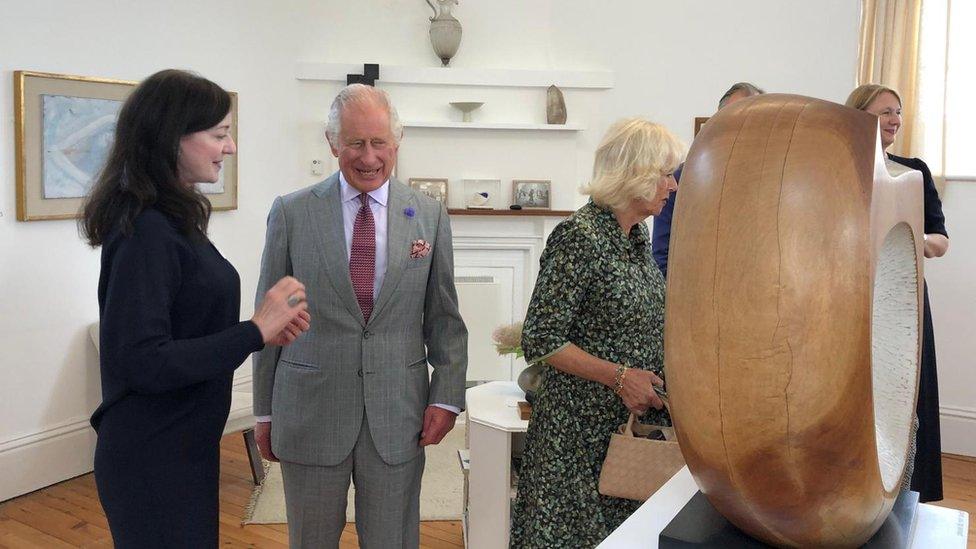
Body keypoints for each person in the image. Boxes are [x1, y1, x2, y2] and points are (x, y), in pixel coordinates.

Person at [80, 69, 310, 548]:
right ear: (172, 137)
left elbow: (185, 327)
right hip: (152, 456)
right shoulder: (146, 230)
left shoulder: (171, 218)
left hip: (184, 447)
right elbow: (142, 360)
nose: (230, 148)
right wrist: (253, 331)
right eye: (219, 134)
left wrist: (264, 331)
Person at [252, 83, 468, 548]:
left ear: (396, 142)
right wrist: (265, 411)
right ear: (332, 143)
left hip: (398, 416)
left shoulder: (428, 215)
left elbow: (445, 318)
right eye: (355, 143)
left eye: (379, 143)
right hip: (310, 412)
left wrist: (446, 398)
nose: (368, 157)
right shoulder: (290, 214)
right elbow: (268, 323)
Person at [510, 118, 684, 547]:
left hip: (623, 436)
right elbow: (541, 337)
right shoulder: (580, 237)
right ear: (637, 173)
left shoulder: (637, 238)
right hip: (575, 441)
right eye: (666, 174)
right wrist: (621, 377)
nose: (672, 186)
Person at [846, 84, 949, 502]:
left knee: (906, 393)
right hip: (851, 296)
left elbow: (940, 240)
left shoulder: (914, 171)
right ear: (858, 116)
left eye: (898, 112)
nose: (895, 120)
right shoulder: (842, 167)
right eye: (885, 111)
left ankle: (907, 492)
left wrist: (906, 232)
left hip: (902, 296)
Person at [652, 82, 765, 278]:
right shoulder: (681, 180)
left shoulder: (770, 182)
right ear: (718, 122)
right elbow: (663, 255)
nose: (746, 128)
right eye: (739, 118)